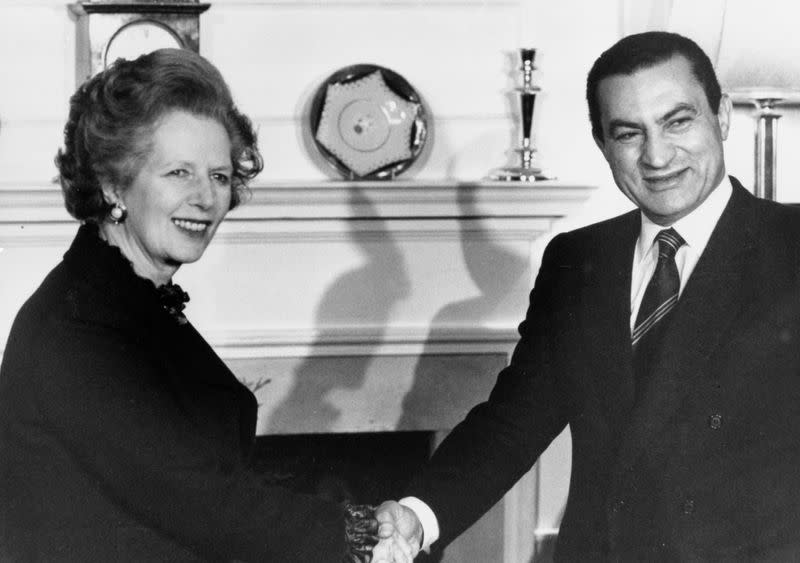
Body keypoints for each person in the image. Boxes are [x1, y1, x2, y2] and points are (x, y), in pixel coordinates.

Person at [374, 31, 800, 561]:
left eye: (678, 121)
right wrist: (418, 516)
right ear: (602, 144)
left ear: (724, 115)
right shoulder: (576, 261)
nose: (656, 156)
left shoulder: (791, 247)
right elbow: (513, 425)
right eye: (628, 134)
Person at [0, 48, 409, 562]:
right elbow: (200, 499)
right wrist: (362, 531)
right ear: (112, 184)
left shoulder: (132, 302)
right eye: (178, 173)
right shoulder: (76, 325)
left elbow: (209, 477)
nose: (206, 198)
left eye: (218, 176)